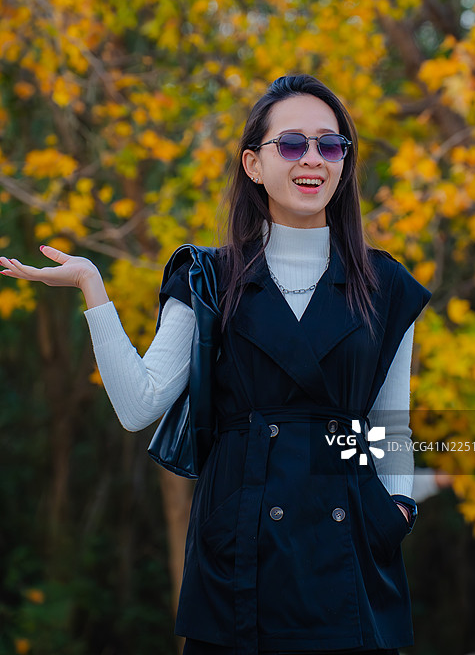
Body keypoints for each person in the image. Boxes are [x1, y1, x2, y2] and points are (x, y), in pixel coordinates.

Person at [0, 74, 432, 655]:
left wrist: (397, 510)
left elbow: (390, 425)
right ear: (253, 164)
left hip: (349, 552)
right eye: (292, 144)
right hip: (240, 554)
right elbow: (138, 406)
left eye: (330, 145)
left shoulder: (385, 285)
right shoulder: (208, 278)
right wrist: (91, 285)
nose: (313, 159)